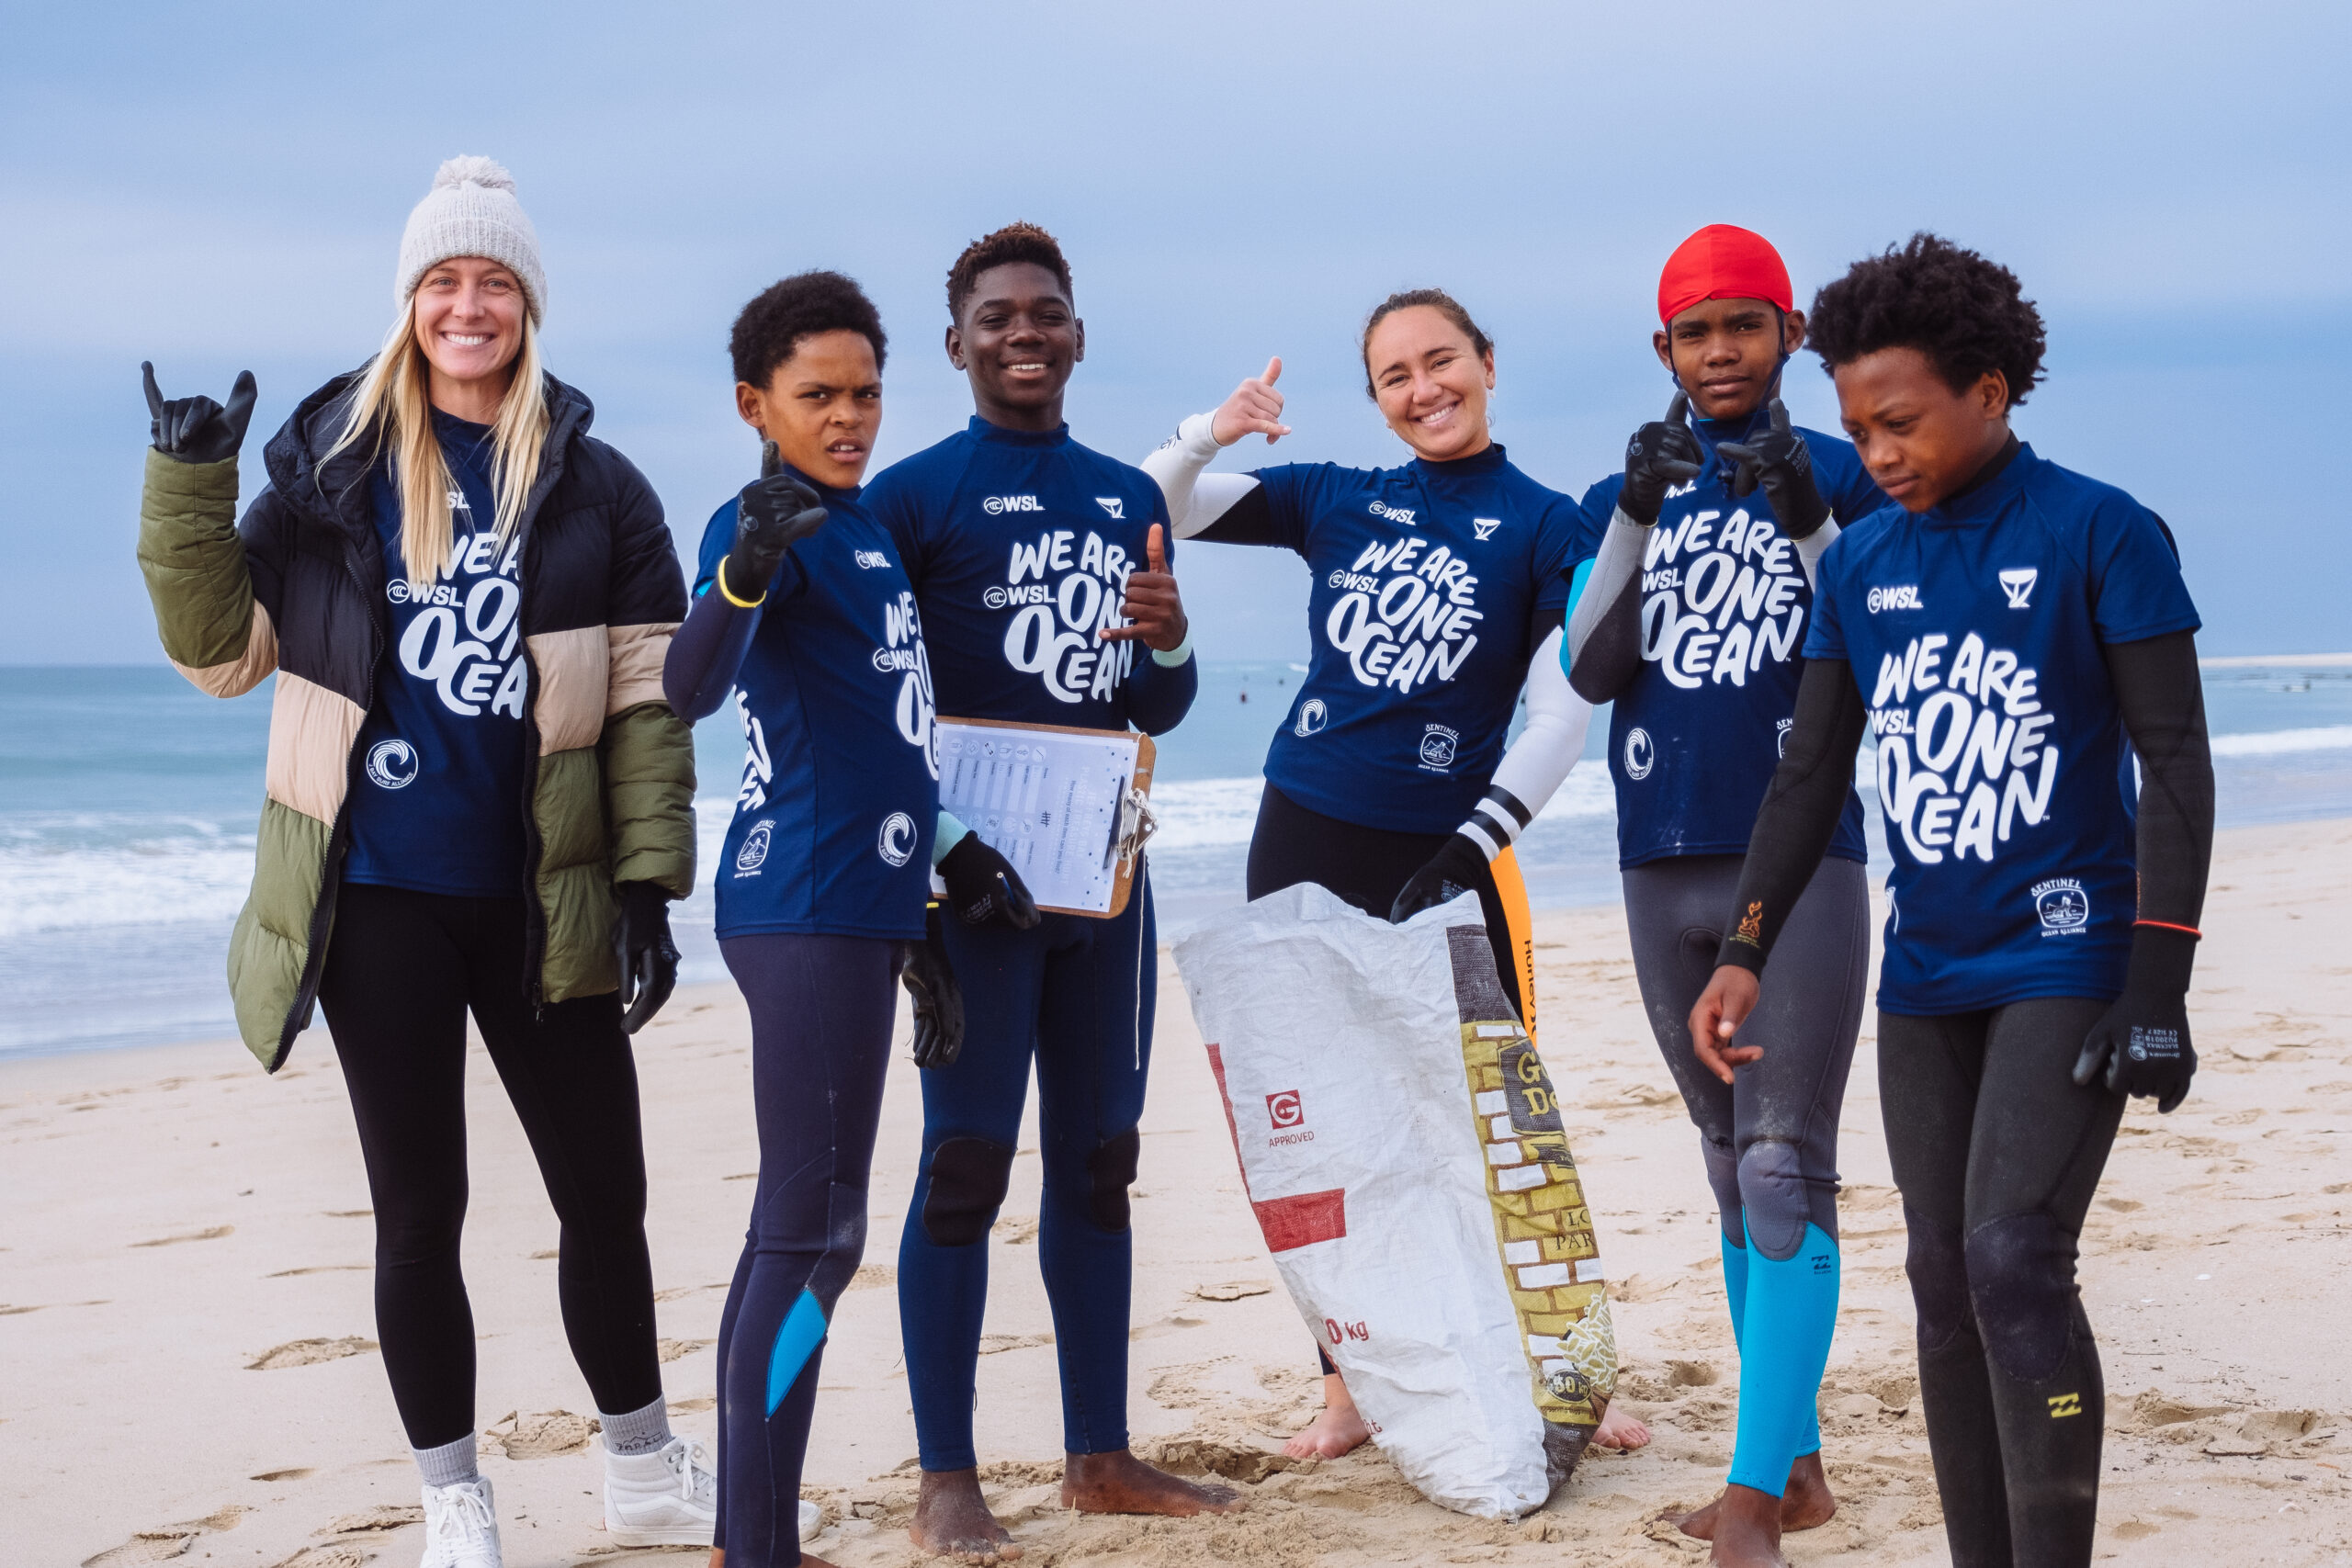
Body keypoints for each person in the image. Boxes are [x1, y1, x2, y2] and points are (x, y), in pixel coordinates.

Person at [134, 157, 714, 1568]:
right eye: (445, 281)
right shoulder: (327, 469)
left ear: (527, 305)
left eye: (494, 280)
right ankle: (456, 1496)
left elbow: (646, 702)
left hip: (542, 898)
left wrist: (645, 888)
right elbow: (220, 656)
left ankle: (641, 1463)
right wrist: (191, 485)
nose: (470, 303)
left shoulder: (597, 487)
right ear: (410, 302)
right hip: (379, 898)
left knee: (606, 1194)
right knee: (421, 1211)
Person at [1688, 233, 2212, 1568]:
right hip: (1929, 973)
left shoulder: (2101, 528)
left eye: (1903, 420)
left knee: (2012, 1255)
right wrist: (1746, 946)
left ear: (1991, 388)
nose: (1878, 453)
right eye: (1859, 427)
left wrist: (2159, 987)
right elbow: (1811, 771)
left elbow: (2175, 766)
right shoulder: (1860, 565)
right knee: (1938, 1282)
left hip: (2068, 951)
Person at [1144, 288, 1648, 1461]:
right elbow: (1149, 511)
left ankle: (1568, 1374)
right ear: (1374, 400)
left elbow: (1567, 697)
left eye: (1441, 362)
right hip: (1303, 830)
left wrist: (1480, 835)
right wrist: (1208, 431)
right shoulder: (1333, 494)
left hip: (1447, 852)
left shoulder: (1542, 524)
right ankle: (1346, 1388)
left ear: (1484, 364)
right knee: (1319, 1124)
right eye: (1394, 377)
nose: (1423, 390)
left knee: (1496, 1126)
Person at [661, 272, 1039, 1568]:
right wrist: (744, 569)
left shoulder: (870, 529)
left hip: (862, 902)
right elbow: (686, 682)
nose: (849, 417)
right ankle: (755, 1545)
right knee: (813, 1230)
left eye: (867, 392)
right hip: (801, 898)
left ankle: (743, 1534)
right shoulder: (762, 519)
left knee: (809, 1226)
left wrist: (937, 878)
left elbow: (887, 745)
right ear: (753, 403)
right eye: (817, 395)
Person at [859, 222, 1222, 1560]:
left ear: (1079, 334)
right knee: (962, 1165)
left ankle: (1098, 1451)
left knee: (1102, 1161)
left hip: (1103, 885)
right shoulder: (909, 498)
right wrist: (946, 847)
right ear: (958, 344)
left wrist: (1171, 631)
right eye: (998, 316)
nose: (1025, 332)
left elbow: (1160, 705)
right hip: (973, 890)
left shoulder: (1126, 488)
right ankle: (947, 1473)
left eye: (1048, 313)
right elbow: (879, 710)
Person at [1562, 225, 1886, 1554]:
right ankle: (1794, 1464)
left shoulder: (1858, 482)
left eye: (1743, 326)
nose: (1719, 353)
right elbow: (1587, 667)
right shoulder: (1623, 494)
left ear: (1790, 333)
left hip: (1800, 863)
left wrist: (1809, 501)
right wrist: (1635, 510)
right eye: (1694, 334)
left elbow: (1868, 642)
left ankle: (1757, 1495)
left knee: (1779, 1161)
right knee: (1721, 1162)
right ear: (1662, 353)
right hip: (1656, 864)